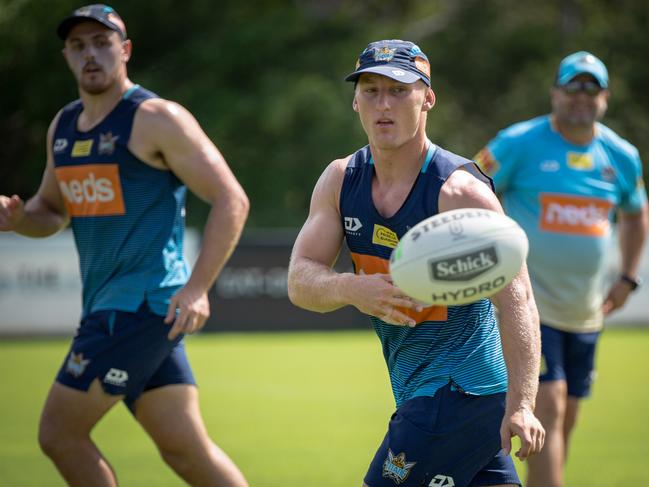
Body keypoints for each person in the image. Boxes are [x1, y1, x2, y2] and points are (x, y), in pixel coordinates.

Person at [0, 5, 250, 486]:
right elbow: (50, 213)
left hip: (141, 307)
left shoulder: (155, 118)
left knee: (58, 435)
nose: (90, 54)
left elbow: (230, 199)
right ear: (67, 57)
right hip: (114, 308)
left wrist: (198, 288)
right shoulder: (64, 127)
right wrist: (16, 220)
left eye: (101, 42)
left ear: (125, 50)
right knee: (185, 451)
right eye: (78, 46)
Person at [287, 39, 545, 487]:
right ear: (355, 100)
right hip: (430, 396)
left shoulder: (459, 193)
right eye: (371, 90)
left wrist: (523, 403)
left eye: (399, 90)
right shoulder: (340, 180)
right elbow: (299, 279)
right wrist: (352, 289)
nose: (383, 105)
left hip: (458, 394)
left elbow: (517, 297)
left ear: (427, 99)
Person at [474, 51, 649, 487]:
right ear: (555, 92)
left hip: (585, 312)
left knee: (564, 420)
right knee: (547, 404)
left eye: (592, 88)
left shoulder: (621, 156)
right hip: (528, 306)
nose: (581, 97)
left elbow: (636, 213)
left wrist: (627, 276)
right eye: (572, 86)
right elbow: (469, 186)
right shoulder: (518, 142)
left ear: (605, 97)